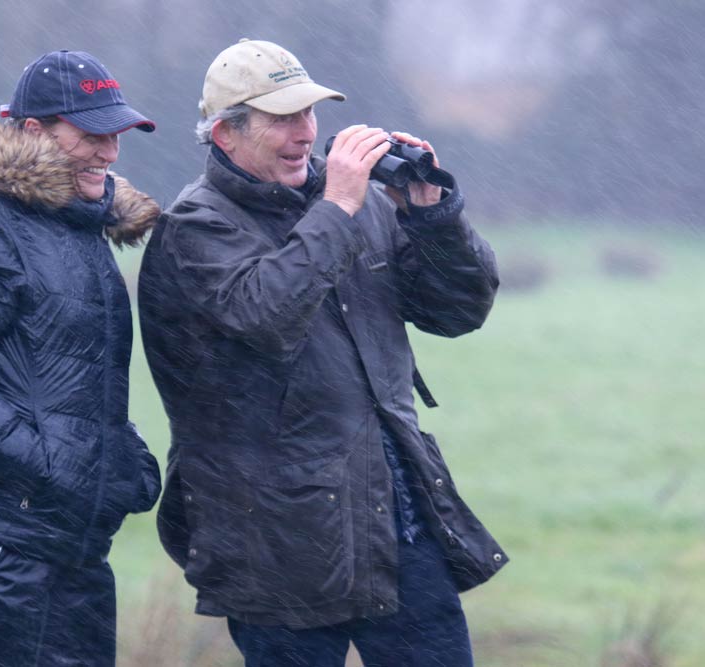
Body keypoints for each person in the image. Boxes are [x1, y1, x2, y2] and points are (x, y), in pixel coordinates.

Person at [138, 38, 508, 667]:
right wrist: (337, 206)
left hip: (393, 515)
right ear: (225, 134)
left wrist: (430, 214)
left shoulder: (355, 206)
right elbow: (263, 313)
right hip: (273, 538)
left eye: (309, 113)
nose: (305, 133)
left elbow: (457, 312)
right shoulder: (195, 228)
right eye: (282, 118)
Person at [0, 50, 162, 667]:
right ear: (31, 133)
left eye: (115, 135)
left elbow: (70, 380)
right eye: (91, 135)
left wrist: (125, 457)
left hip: (70, 549)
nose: (109, 152)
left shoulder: (78, 230)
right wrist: (51, 470)